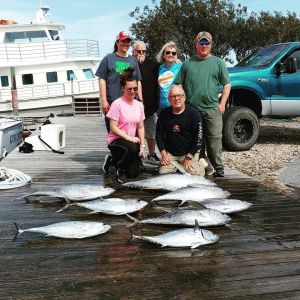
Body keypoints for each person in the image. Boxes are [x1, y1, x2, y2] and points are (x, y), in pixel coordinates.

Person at [176, 32, 231, 177]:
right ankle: (203, 167)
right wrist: (182, 103)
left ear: (211, 45)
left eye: (207, 43)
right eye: (201, 43)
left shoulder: (218, 62)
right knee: (196, 142)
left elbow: (227, 85)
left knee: (214, 141)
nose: (204, 45)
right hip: (192, 111)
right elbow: (179, 83)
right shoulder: (187, 64)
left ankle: (218, 168)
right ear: (196, 45)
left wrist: (222, 104)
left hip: (213, 109)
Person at [102, 67, 145, 183]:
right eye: (129, 89)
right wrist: (130, 138)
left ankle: (111, 160)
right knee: (133, 147)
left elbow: (140, 127)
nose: (132, 91)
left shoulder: (139, 105)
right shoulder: (117, 104)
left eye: (135, 89)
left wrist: (143, 146)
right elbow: (113, 128)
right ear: (122, 88)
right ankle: (118, 168)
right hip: (116, 140)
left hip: (130, 142)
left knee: (133, 174)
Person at [96, 31, 142, 131]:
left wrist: (141, 100)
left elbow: (138, 81)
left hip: (130, 104)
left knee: (131, 133)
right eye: (123, 41)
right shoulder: (108, 58)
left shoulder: (133, 60)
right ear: (117, 42)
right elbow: (102, 79)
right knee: (113, 135)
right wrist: (103, 101)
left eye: (128, 41)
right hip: (112, 104)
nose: (125, 43)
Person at [156, 85, 207, 175]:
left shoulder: (194, 114)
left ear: (184, 97)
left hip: (189, 153)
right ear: (169, 99)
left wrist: (189, 157)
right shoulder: (164, 114)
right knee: (162, 173)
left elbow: (198, 138)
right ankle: (178, 166)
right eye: (173, 96)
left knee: (195, 174)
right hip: (171, 153)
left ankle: (201, 164)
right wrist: (164, 155)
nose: (177, 99)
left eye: (179, 95)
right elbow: (158, 135)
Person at [132, 40, 160, 165]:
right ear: (133, 52)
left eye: (144, 51)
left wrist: (177, 62)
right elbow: (118, 78)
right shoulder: (127, 62)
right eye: (139, 51)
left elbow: (165, 75)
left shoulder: (153, 65)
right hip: (132, 106)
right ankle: (136, 155)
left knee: (151, 132)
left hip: (150, 105)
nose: (142, 53)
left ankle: (152, 154)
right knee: (134, 131)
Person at [156, 41, 182, 112]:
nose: (171, 55)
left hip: (176, 106)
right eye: (168, 52)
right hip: (162, 107)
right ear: (163, 55)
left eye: (173, 53)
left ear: (176, 55)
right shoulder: (159, 68)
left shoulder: (181, 66)